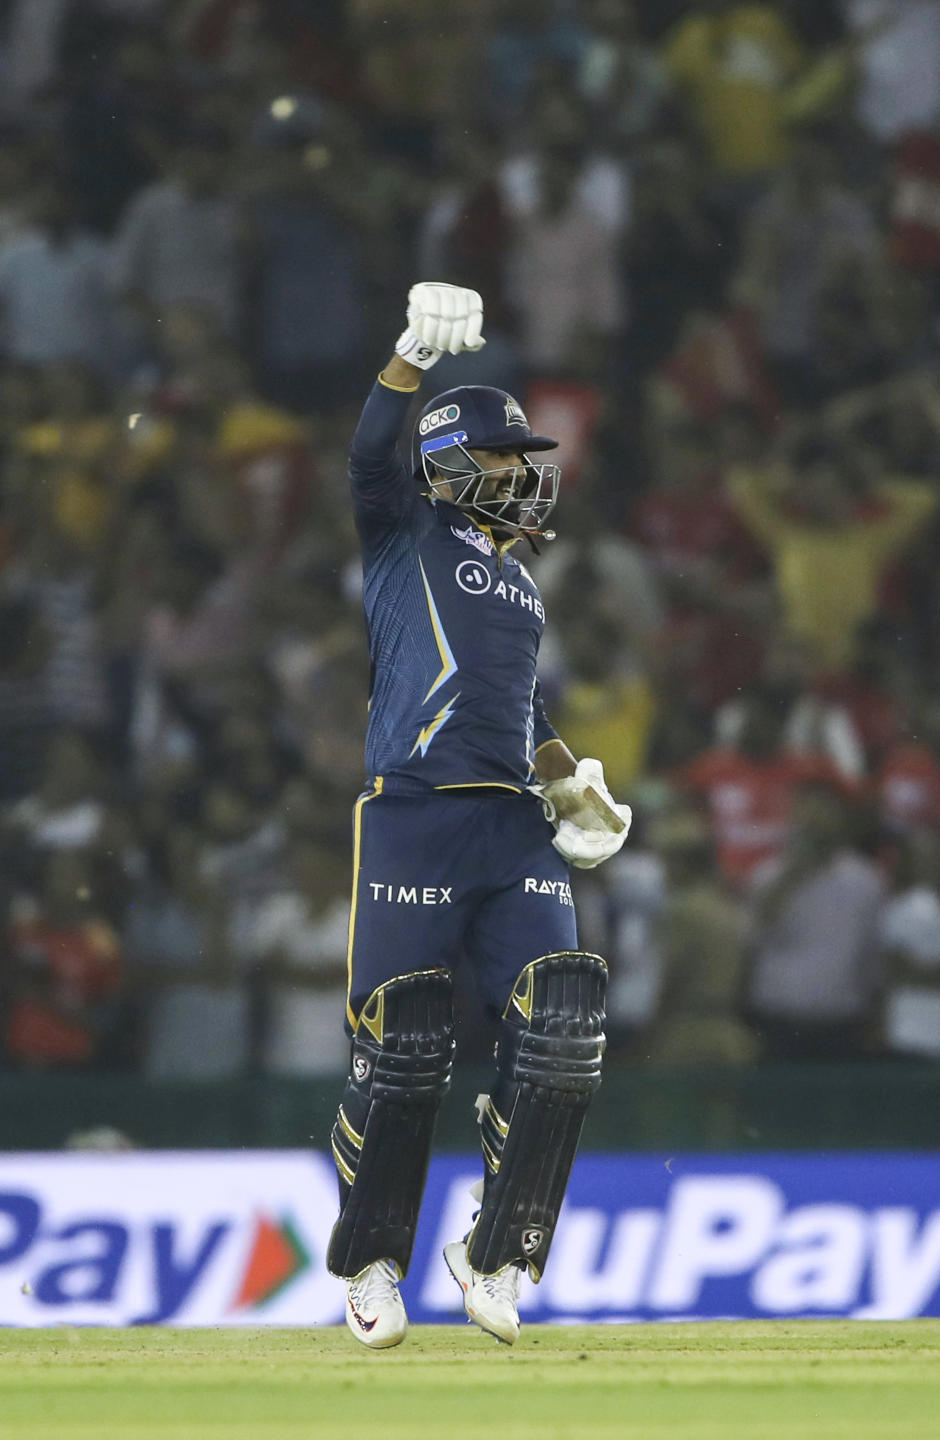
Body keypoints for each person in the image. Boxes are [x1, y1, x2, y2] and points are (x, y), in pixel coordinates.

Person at [326, 283, 631, 1349]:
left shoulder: (524, 586)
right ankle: (371, 1265)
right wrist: (407, 354)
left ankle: (495, 1255)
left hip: (511, 828)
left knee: (565, 1022)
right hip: (414, 815)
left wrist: (568, 782)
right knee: (403, 1045)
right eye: (504, 456)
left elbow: (520, 707)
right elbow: (369, 453)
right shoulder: (404, 531)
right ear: (453, 462)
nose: (523, 474)